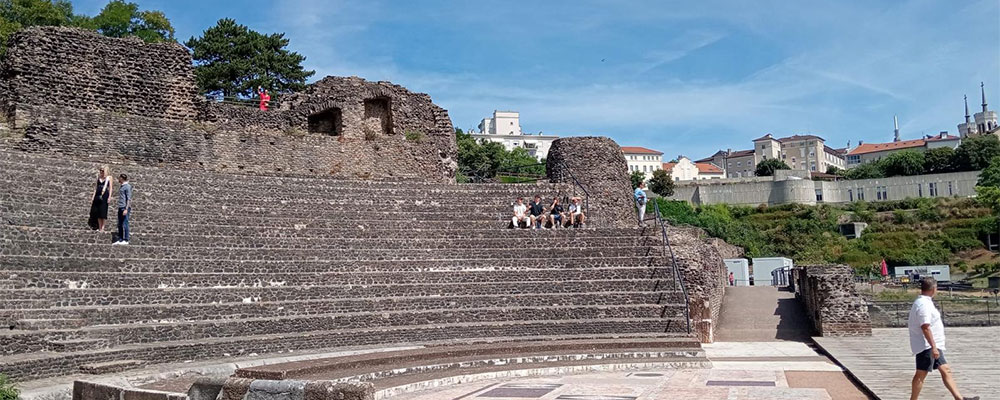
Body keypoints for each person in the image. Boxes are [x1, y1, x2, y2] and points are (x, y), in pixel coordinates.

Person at [908, 277, 978, 400]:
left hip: (933, 345)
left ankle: (959, 398)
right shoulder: (923, 305)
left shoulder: (924, 302)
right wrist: (934, 347)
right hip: (927, 346)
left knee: (946, 370)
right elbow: (925, 327)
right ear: (934, 289)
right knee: (921, 374)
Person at [88, 166, 112, 232]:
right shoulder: (99, 178)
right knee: (98, 211)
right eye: (100, 170)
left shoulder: (109, 178)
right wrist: (93, 196)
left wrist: (109, 197)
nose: (101, 172)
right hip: (97, 195)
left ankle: (102, 227)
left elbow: (110, 188)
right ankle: (99, 226)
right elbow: (96, 187)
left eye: (103, 170)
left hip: (104, 195)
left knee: (103, 211)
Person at [113, 174, 133, 245]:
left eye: (119, 178)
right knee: (120, 224)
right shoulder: (122, 186)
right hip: (120, 206)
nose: (118, 179)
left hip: (125, 207)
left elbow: (129, 198)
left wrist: (126, 209)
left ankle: (126, 239)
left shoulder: (127, 186)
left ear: (122, 178)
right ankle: (121, 238)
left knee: (125, 223)